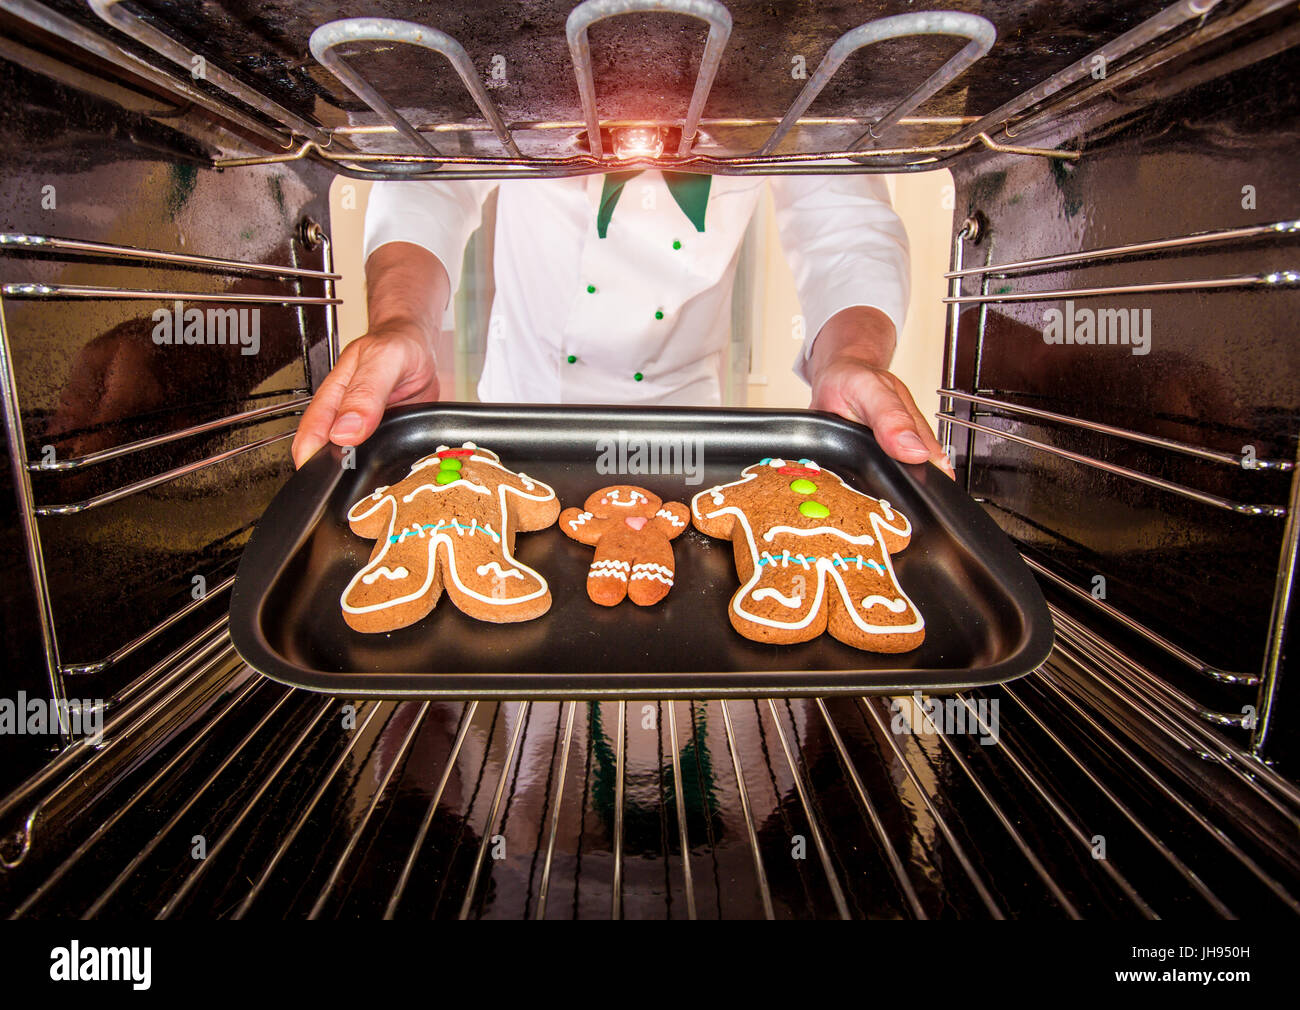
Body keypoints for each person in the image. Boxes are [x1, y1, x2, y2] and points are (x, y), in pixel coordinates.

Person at [291, 170, 953, 477]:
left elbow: (843, 220)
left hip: (690, 441)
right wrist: (402, 322)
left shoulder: (773, 42)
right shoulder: (517, 31)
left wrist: (854, 358)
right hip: (519, 423)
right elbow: (432, 176)